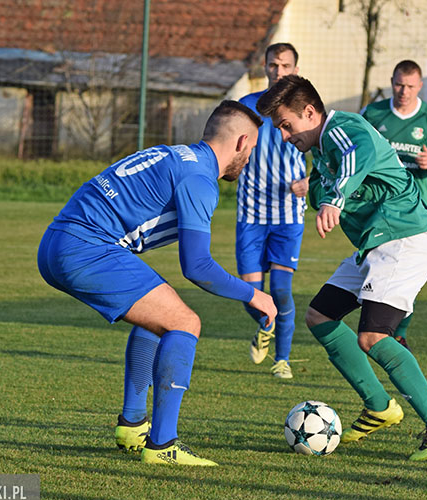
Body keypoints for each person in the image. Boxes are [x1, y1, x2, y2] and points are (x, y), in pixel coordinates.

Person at [37, 100, 277, 466]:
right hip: (86, 248)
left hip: (56, 242)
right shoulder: (200, 179)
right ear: (242, 142)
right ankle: (163, 445)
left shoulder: (176, 155)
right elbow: (197, 266)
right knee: (185, 322)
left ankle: (133, 424)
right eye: (253, 149)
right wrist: (253, 293)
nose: (250, 159)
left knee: (160, 317)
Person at [255, 75, 427, 461]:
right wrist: (324, 192)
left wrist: (335, 197)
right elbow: (318, 186)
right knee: (320, 316)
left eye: (287, 125)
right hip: (376, 243)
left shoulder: (346, 128)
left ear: (310, 112)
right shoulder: (322, 151)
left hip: (405, 238)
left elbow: (357, 155)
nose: (284, 136)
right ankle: (380, 407)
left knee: (373, 336)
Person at [361, 60, 427, 349]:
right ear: (391, 81)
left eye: (410, 86)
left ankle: (397, 332)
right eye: (398, 84)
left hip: (413, 213)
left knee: (407, 275)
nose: (403, 91)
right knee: (375, 266)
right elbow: (355, 148)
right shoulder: (373, 113)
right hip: (377, 209)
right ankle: (378, 328)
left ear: (420, 86)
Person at [235, 43, 308, 379]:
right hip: (250, 214)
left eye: (286, 65)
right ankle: (267, 325)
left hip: (288, 215)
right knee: (249, 293)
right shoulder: (248, 107)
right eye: (273, 65)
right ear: (264, 67)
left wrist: (310, 180)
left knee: (280, 289)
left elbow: (325, 153)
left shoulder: (305, 110)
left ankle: (282, 359)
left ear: (295, 69)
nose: (279, 71)